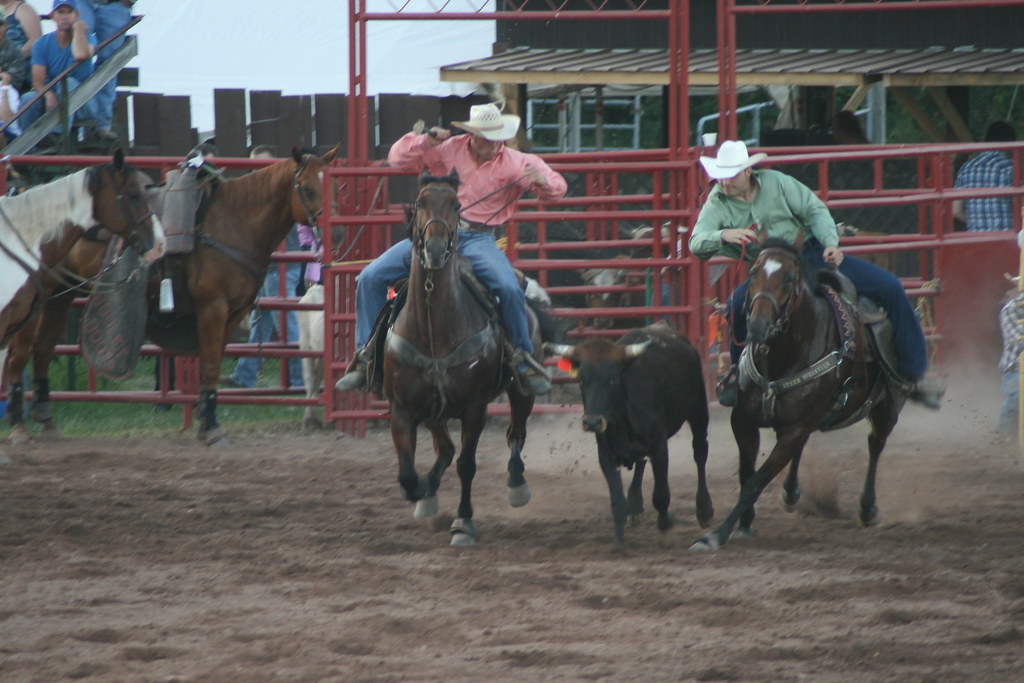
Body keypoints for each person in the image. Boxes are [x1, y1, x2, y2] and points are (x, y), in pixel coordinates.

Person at [689, 139, 943, 409]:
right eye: (721, 177)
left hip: (811, 253)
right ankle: (741, 379)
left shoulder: (777, 183)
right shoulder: (717, 201)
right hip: (768, 268)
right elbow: (696, 242)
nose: (725, 183)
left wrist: (831, 243)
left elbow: (814, 209)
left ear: (748, 171)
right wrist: (722, 235)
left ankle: (913, 376)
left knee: (891, 287)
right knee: (735, 307)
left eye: (731, 176)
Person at [336, 102, 568, 395]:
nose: (490, 140)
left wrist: (543, 181)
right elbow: (397, 160)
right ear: (472, 133)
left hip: (479, 239)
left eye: (495, 134)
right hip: (435, 232)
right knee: (370, 277)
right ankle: (366, 355)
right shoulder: (446, 149)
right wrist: (424, 140)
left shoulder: (518, 162)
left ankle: (522, 358)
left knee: (508, 288)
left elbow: (557, 190)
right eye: (484, 134)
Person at [227, 144, 304, 390]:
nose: (259, 170)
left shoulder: (279, 189)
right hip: (264, 266)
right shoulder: (258, 189)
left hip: (280, 265)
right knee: (262, 320)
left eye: (264, 164)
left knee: (285, 321)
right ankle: (245, 375)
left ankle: (299, 379)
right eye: (255, 165)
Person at [21, 0, 102, 140]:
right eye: (61, 12)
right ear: (53, 16)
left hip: (84, 102)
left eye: (69, 12)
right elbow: (37, 81)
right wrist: (48, 95)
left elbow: (81, 55)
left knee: (68, 83)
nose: (65, 16)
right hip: (54, 98)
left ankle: (59, 136)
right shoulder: (42, 43)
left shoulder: (88, 38)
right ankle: (25, 147)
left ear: (77, 15)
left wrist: (78, 30)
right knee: (27, 98)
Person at [76, 0, 132, 141]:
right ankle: (76, 126)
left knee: (109, 65)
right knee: (78, 57)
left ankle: (101, 125)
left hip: (116, 5)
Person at [953, 121, 1016, 232]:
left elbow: (956, 211)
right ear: (1010, 144)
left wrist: (977, 224)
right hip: (1006, 240)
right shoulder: (1009, 168)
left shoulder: (965, 168)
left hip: (976, 242)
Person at [997, 232, 1023, 438]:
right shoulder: (1012, 309)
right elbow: (1019, 340)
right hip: (1017, 367)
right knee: (1015, 398)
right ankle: (1004, 439)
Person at [0, 9, 28, 141]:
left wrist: (4, 82)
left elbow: (13, 81)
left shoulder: (15, 51)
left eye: (0, 24)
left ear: (6, 26)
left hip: (8, 92)